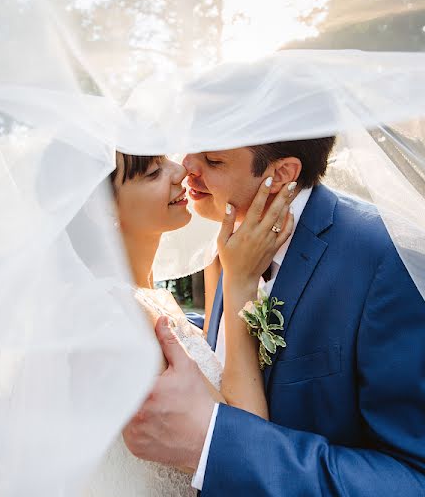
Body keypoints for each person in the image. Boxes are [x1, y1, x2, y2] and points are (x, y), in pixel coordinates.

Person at [122, 138, 425, 496]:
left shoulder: (401, 264)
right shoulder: (232, 251)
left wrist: (212, 442)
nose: (186, 166)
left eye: (213, 160)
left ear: (281, 174)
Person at [86, 151, 298, 496]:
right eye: (154, 173)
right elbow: (246, 447)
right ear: (104, 210)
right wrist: (239, 282)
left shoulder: (146, 296)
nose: (179, 171)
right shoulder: (118, 313)